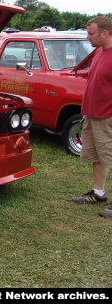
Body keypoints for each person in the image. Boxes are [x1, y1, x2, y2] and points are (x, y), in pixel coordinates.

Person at [72, 16, 112, 218]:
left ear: (105, 33)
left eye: (91, 33)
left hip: (107, 116)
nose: (88, 37)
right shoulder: (98, 53)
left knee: (109, 156)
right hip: (93, 114)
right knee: (97, 157)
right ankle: (98, 193)